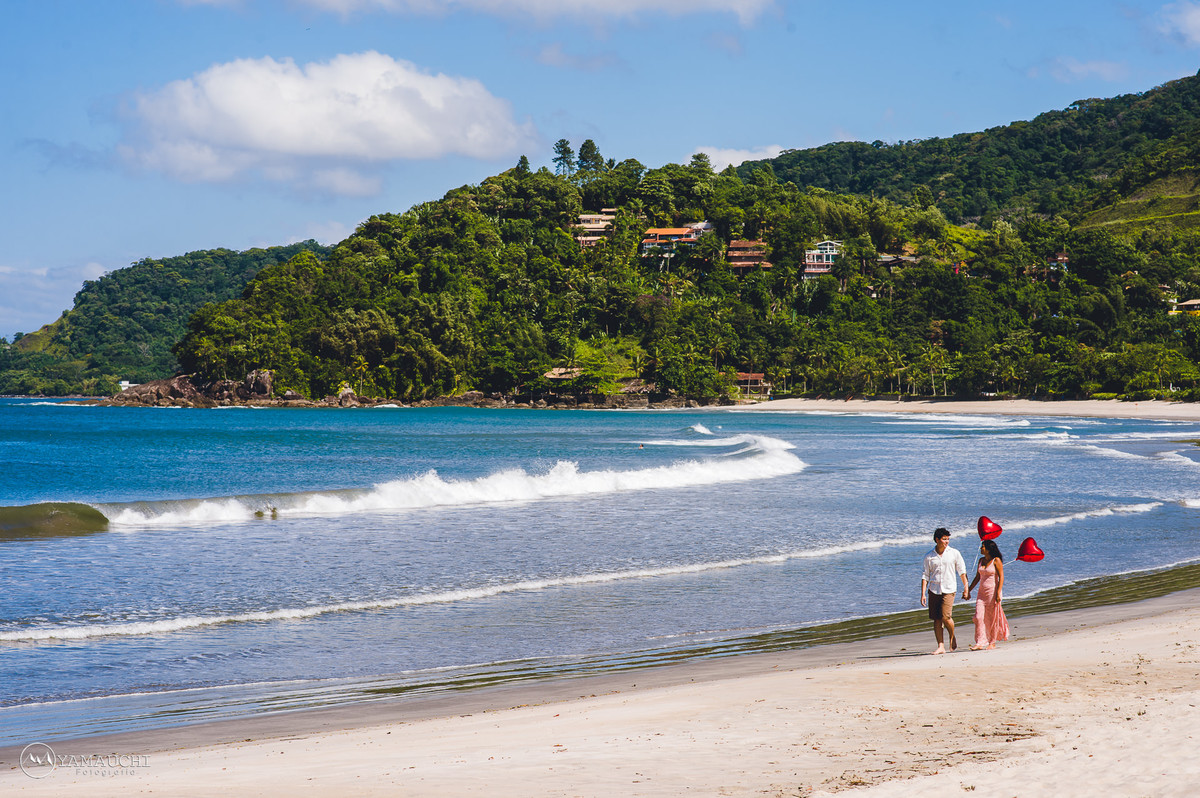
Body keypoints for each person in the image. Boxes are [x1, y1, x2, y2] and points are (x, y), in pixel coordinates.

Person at [920, 527, 969, 654]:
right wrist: (923, 594)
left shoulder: (954, 553)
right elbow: (925, 576)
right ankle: (940, 646)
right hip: (934, 589)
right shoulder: (929, 556)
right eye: (944, 539)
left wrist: (966, 588)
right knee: (937, 619)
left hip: (949, 588)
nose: (947, 541)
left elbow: (962, 571)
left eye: (948, 539)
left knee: (946, 617)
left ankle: (952, 636)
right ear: (937, 540)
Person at [966, 538, 1009, 650]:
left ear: (989, 549)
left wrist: (998, 593)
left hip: (992, 593)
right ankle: (980, 642)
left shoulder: (996, 560)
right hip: (981, 594)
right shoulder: (981, 560)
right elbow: (977, 577)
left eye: (983, 547)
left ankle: (992, 642)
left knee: (992, 618)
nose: (981, 548)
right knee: (978, 617)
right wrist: (968, 590)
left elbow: (1001, 577)